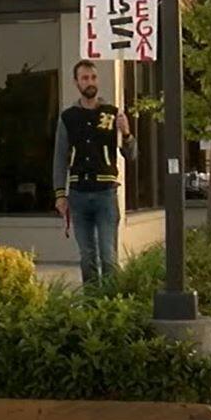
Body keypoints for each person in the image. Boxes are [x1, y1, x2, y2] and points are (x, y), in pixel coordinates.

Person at [53, 60, 133, 285]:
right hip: (78, 194)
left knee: (108, 256)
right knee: (87, 257)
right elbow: (60, 157)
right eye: (85, 78)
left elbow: (132, 154)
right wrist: (60, 193)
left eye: (93, 77)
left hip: (105, 193)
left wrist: (126, 133)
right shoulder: (68, 117)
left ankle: (111, 301)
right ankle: (91, 304)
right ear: (76, 82)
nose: (90, 82)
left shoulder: (112, 114)